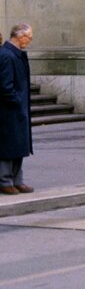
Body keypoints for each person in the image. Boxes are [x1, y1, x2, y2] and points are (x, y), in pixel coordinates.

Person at [0, 23, 35, 194]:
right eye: (29, 38)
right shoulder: (7, 55)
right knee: (8, 146)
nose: (30, 41)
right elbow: (5, 86)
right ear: (21, 37)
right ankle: (5, 181)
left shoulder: (16, 54)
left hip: (17, 107)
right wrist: (17, 102)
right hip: (8, 109)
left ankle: (17, 179)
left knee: (19, 145)